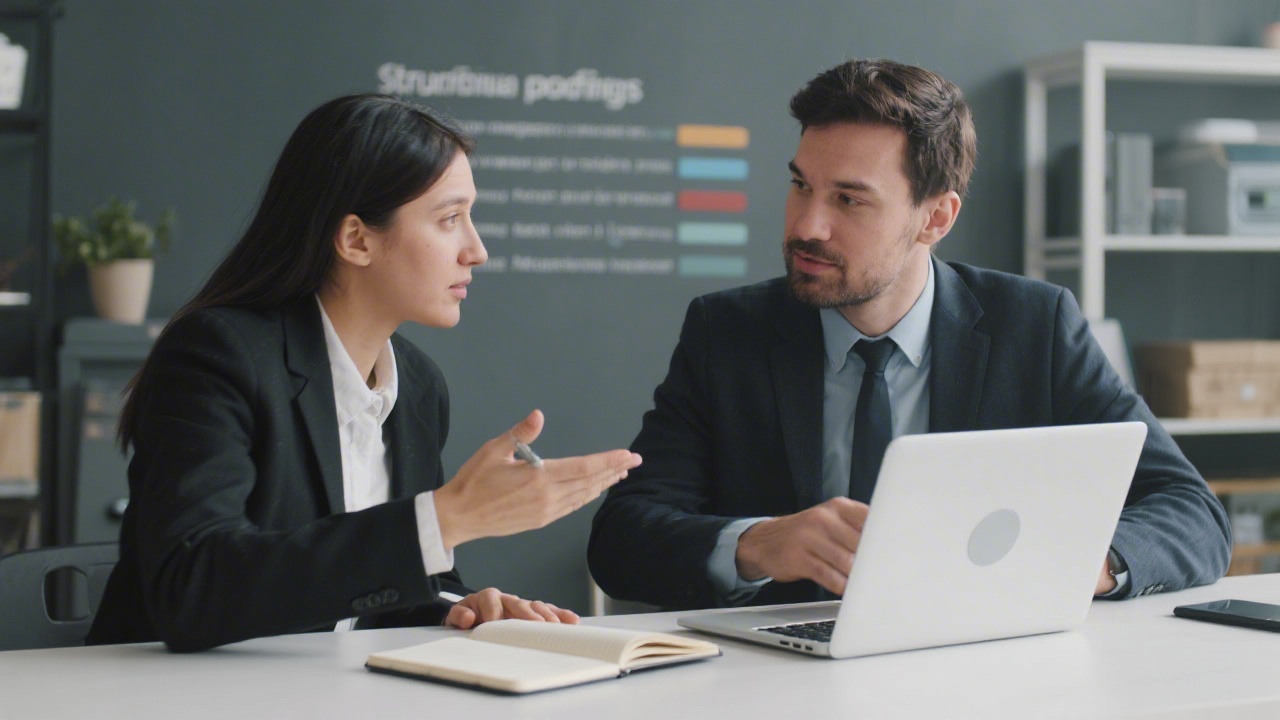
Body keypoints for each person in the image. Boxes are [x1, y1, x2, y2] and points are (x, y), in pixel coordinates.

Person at [588, 58, 1230, 610]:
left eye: (849, 199)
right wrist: (757, 545)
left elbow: (1191, 511)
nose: (807, 225)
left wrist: (1086, 563)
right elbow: (621, 540)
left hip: (978, 667)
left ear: (936, 218)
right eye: (801, 185)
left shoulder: (1034, 325)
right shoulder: (727, 332)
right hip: (780, 676)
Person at [86, 94, 642, 652]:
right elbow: (191, 589)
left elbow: (372, 588)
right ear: (356, 239)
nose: (477, 250)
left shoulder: (418, 386)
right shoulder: (218, 354)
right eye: (450, 219)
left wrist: (458, 607)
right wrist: (443, 520)